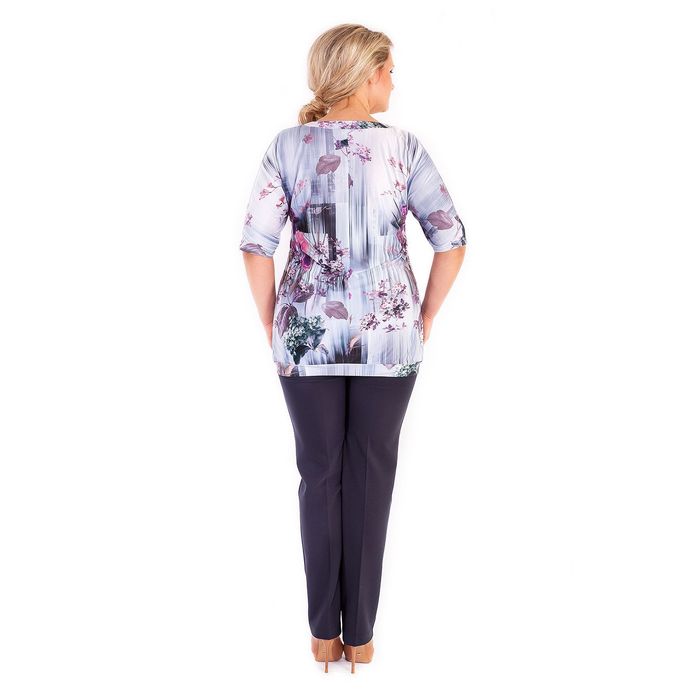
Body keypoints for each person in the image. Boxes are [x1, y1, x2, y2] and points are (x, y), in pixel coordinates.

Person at [239, 23, 467, 673]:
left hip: (305, 336)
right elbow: (451, 238)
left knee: (319, 475)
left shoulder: (287, 146)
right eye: (389, 70)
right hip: (389, 336)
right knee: (371, 474)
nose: (394, 81)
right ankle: (360, 636)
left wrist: (273, 321)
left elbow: (255, 245)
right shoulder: (403, 148)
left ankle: (322, 635)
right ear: (366, 74)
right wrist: (425, 314)